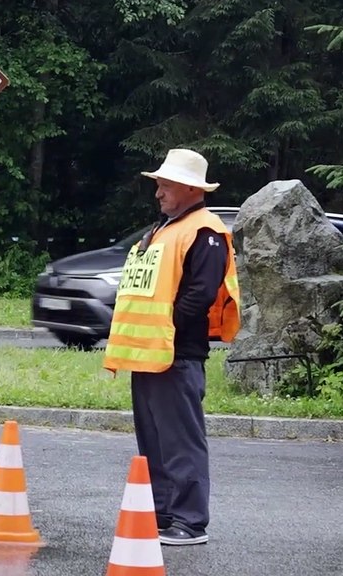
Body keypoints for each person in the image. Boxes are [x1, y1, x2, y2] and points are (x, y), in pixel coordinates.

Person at [102, 148, 241, 546]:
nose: (158, 192)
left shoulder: (206, 231)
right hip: (150, 353)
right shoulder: (165, 228)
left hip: (176, 353)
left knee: (180, 441)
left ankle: (190, 521)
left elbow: (199, 294)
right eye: (159, 184)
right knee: (155, 442)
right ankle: (163, 514)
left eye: (164, 185)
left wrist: (167, 328)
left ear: (187, 187)